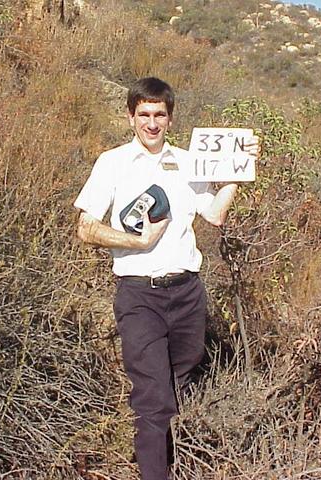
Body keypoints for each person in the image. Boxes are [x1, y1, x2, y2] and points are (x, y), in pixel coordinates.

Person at [74, 77, 257, 480]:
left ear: (170, 118)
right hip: (140, 294)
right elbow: (86, 228)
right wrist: (135, 242)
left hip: (188, 291)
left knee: (182, 378)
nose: (152, 123)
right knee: (153, 396)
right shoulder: (113, 162)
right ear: (130, 116)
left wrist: (236, 173)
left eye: (160, 115)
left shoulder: (191, 161)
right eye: (144, 115)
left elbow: (215, 215)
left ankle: (170, 456)